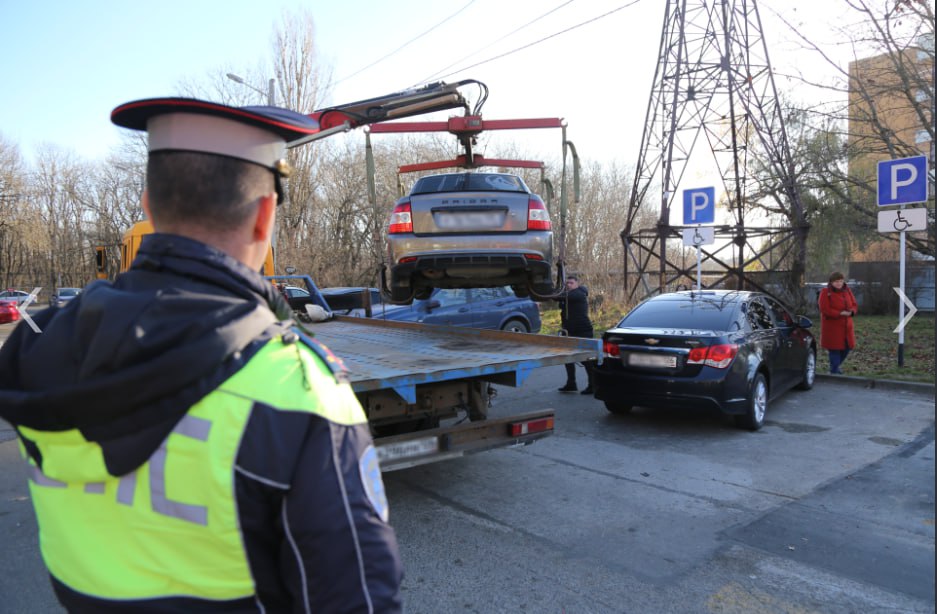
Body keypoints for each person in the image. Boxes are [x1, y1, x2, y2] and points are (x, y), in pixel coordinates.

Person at [0, 98, 403, 612]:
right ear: (264, 217)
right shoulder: (297, 388)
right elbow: (357, 599)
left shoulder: (41, 347)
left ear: (147, 205)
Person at [556, 274, 596, 394]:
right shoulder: (568, 295)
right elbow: (560, 299)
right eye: (567, 283)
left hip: (583, 330)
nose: (568, 285)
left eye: (571, 283)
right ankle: (571, 383)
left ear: (577, 284)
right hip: (569, 331)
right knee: (568, 358)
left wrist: (554, 292)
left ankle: (593, 385)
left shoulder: (579, 293)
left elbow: (558, 297)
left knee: (586, 359)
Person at [818, 271, 858, 375]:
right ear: (831, 282)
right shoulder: (825, 292)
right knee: (834, 350)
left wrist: (852, 311)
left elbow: (854, 304)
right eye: (836, 281)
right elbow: (824, 309)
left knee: (847, 348)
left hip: (847, 327)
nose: (839, 283)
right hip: (832, 328)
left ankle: (834, 368)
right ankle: (835, 372)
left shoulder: (847, 290)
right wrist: (840, 313)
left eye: (840, 281)